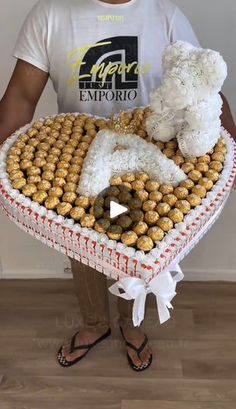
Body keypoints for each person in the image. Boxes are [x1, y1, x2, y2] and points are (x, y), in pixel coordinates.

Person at [0, 0, 235, 371]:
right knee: (84, 247)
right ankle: (95, 324)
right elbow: (21, 95)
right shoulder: (50, 14)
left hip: (144, 161)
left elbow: (205, 90)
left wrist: (231, 151)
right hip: (76, 160)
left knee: (132, 242)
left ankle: (130, 324)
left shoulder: (166, 16)